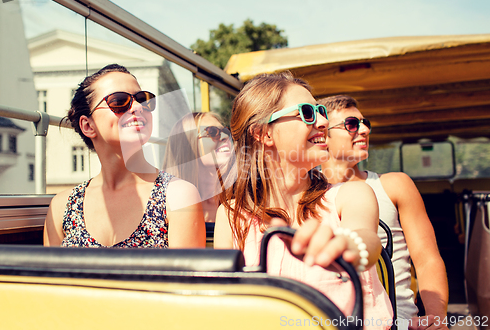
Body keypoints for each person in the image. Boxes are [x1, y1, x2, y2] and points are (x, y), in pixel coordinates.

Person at [214, 72, 393, 329]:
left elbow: (366, 238)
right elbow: (226, 304)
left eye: (321, 111)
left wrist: (347, 247)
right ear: (264, 134)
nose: (323, 121)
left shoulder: (349, 195)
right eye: (307, 112)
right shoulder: (231, 215)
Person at [318, 95, 448, 329]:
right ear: (322, 134)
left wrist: (436, 317)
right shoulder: (307, 195)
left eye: (364, 122)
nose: (364, 130)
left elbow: (427, 258)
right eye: (351, 125)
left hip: (401, 322)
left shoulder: (395, 185)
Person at [43, 64, 205, 248]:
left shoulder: (177, 196)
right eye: (119, 101)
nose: (138, 107)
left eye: (143, 99)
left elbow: (184, 276)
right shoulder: (62, 206)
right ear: (88, 126)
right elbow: (51, 276)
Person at [162, 112, 233, 222]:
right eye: (213, 132)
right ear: (188, 144)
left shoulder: (241, 199)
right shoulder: (165, 205)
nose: (225, 137)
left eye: (226, 131)